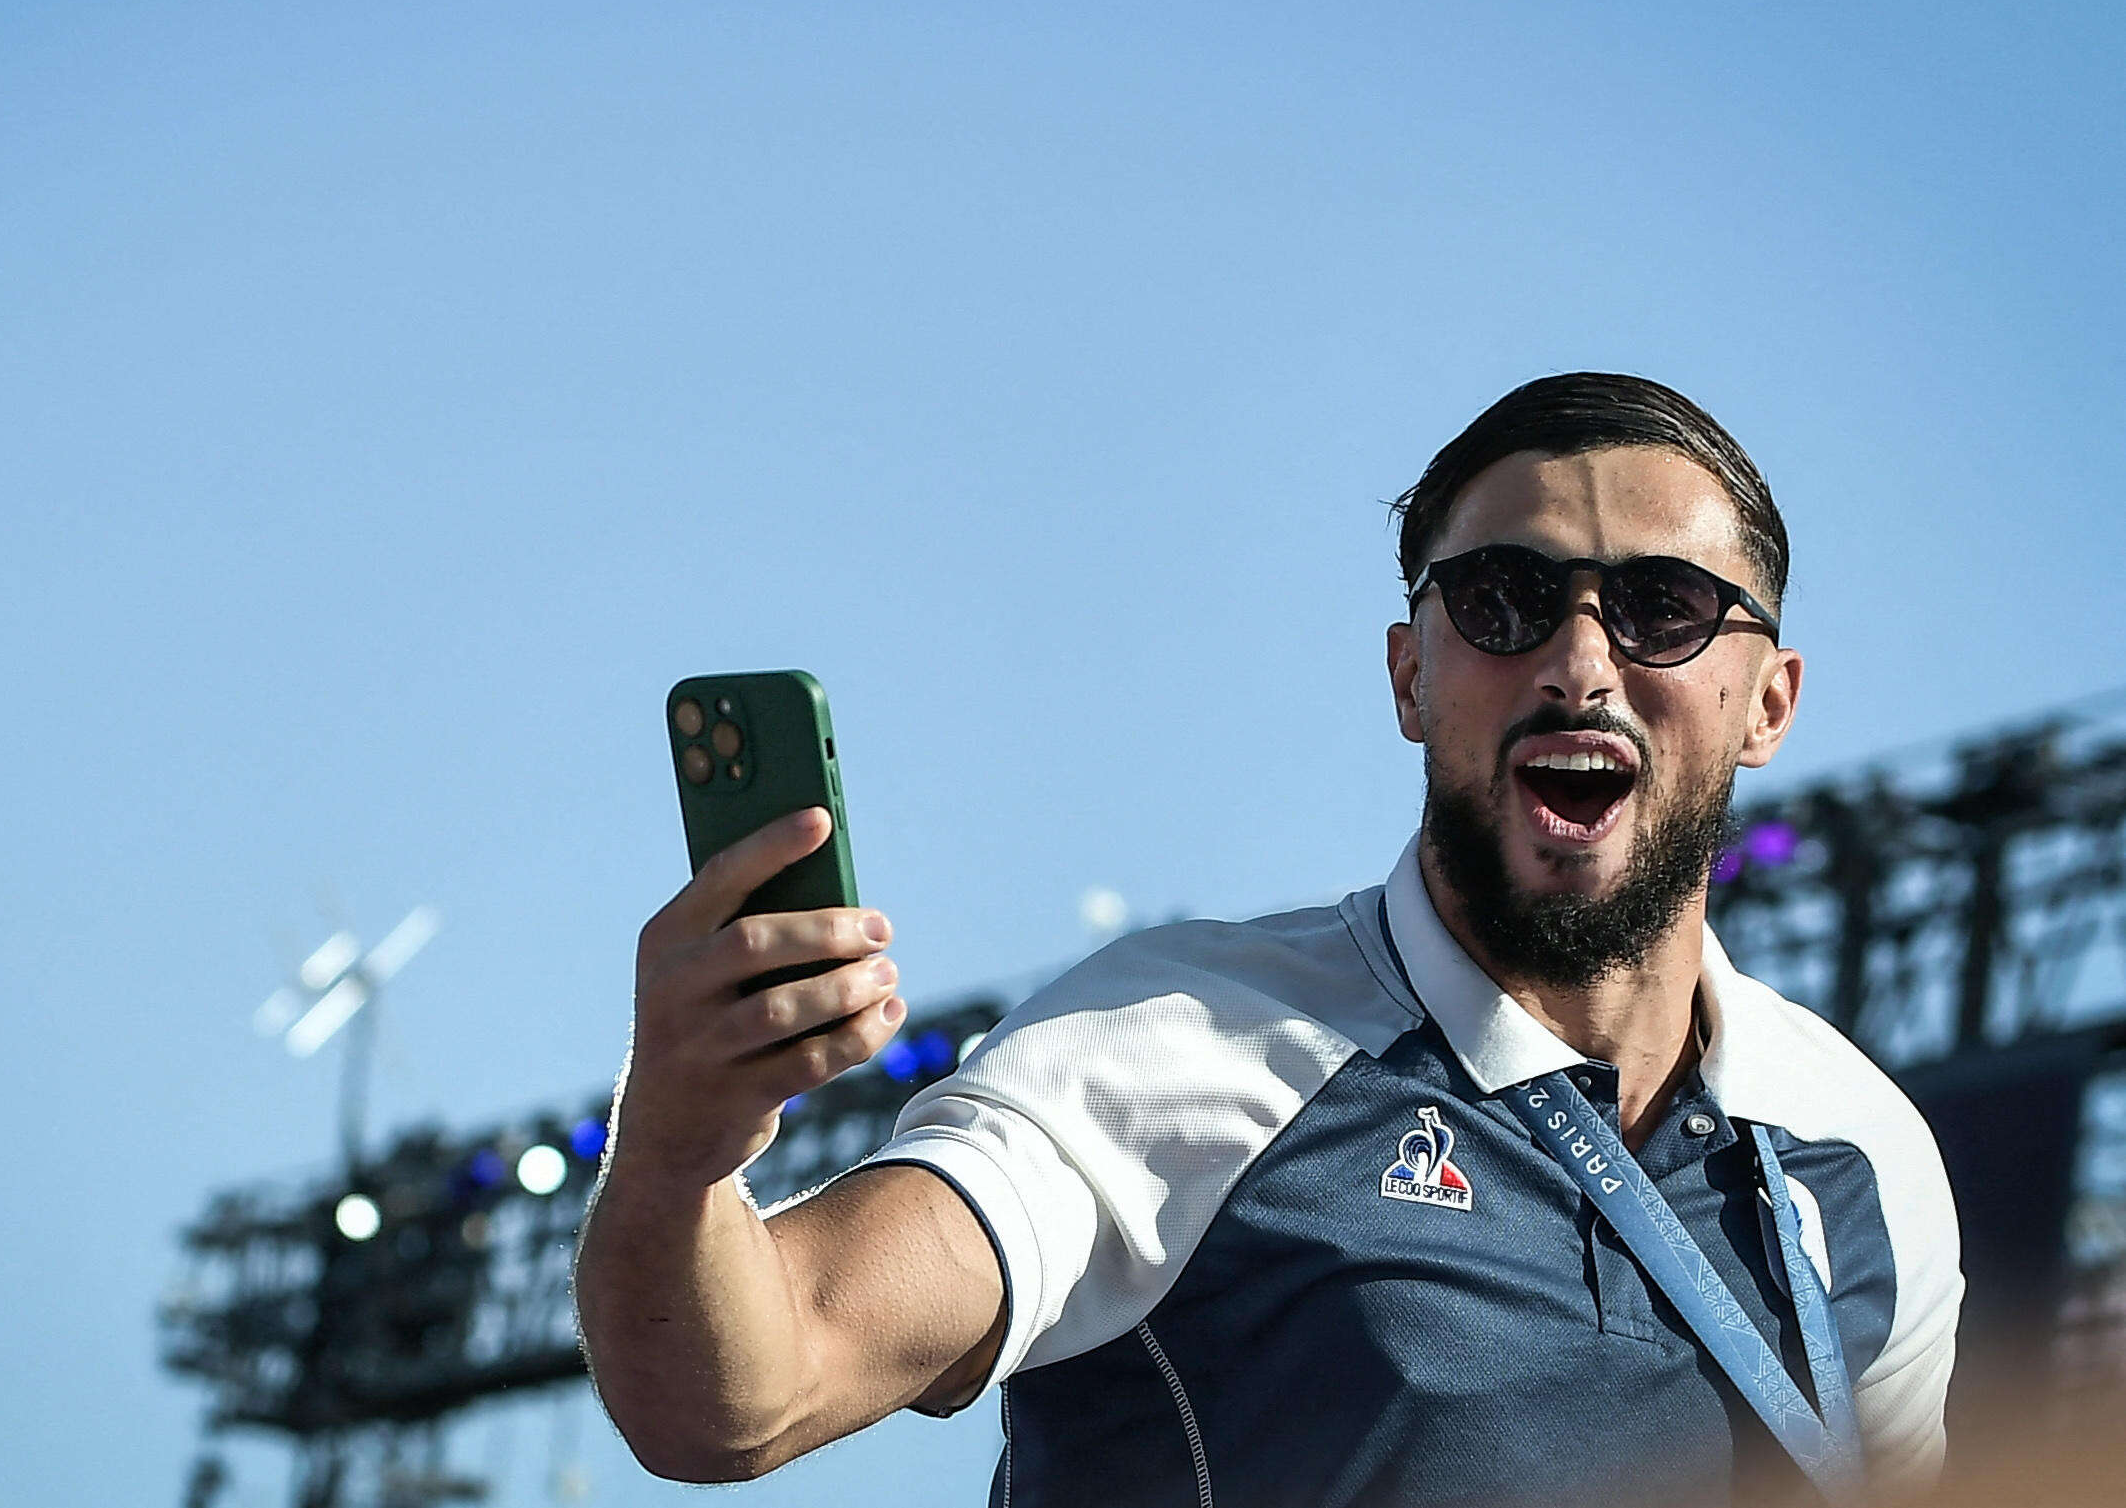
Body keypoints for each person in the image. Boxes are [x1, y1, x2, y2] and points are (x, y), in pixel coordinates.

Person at [573, 373, 1962, 1506]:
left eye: (1660, 606)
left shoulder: (1862, 1151)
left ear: (1768, 700)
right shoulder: (1182, 1045)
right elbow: (747, 1390)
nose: (1579, 659)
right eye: (1501, 598)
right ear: (1409, 672)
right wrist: (674, 1158)